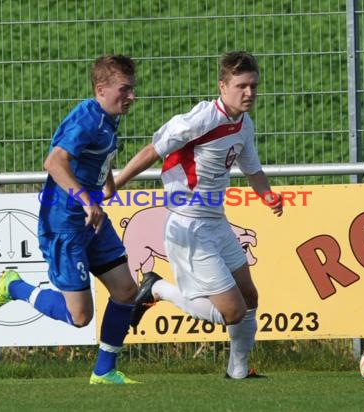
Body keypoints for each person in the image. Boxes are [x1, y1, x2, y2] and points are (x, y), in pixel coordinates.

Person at [114, 51, 283, 379]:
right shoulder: (202, 120)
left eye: (253, 86)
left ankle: (239, 370)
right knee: (232, 311)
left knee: (249, 296)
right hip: (188, 225)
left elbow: (253, 169)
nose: (249, 93)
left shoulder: (244, 125)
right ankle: (157, 288)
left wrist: (267, 195)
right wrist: (116, 184)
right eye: (241, 86)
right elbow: (153, 150)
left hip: (216, 221)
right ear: (223, 86)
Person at [0, 54, 139, 385]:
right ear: (101, 89)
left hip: (91, 221)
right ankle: (14, 286)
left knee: (125, 290)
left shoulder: (108, 119)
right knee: (80, 317)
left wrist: (106, 185)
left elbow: (101, 156)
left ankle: (105, 371)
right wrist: (85, 200)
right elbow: (53, 162)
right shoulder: (87, 118)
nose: (131, 97)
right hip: (65, 224)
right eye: (124, 90)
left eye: (133, 89)